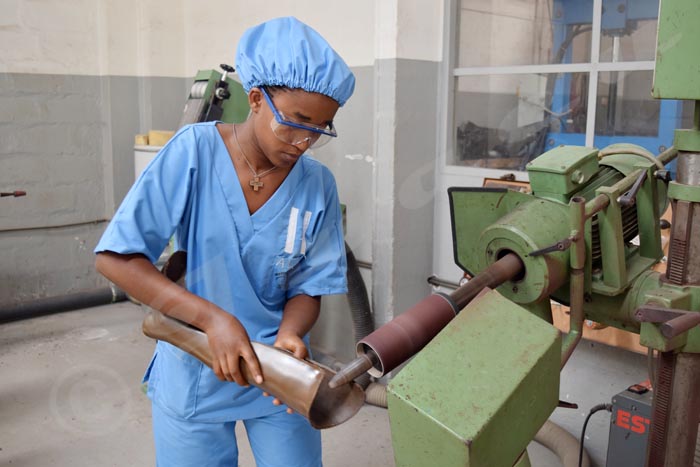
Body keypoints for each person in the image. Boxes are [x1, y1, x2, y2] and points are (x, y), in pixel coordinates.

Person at [94, 16, 355, 467]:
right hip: (195, 364)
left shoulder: (317, 185)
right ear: (255, 100)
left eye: (321, 128)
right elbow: (116, 258)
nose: (304, 142)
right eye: (294, 123)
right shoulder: (193, 152)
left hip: (277, 374)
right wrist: (213, 321)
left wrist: (292, 333)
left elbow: (308, 286)